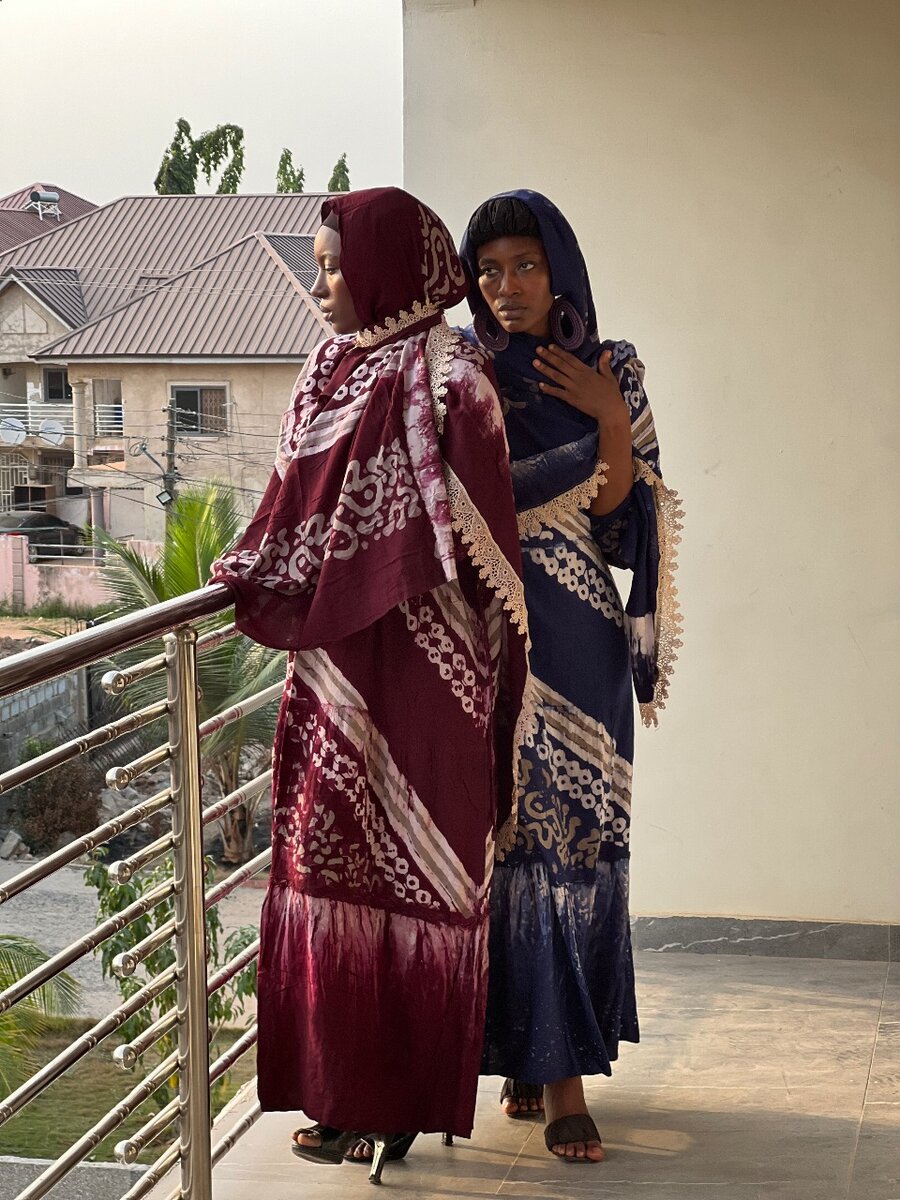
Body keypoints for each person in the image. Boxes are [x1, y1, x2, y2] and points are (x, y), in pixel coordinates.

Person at [211, 187, 532, 1183]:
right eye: (317, 264)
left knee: (428, 873)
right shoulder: (322, 372)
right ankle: (344, 1096)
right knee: (330, 868)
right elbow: (289, 511)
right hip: (338, 672)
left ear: (390, 269)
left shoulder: (455, 380)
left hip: (430, 673)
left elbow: (487, 552)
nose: (320, 285)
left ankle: (406, 1097)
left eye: (335, 266)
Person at [458, 190, 683, 1163]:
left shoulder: (612, 367)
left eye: (527, 266)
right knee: (511, 849)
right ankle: (530, 1055)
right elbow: (457, 505)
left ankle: (562, 1075)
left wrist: (610, 424)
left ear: (561, 270)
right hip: (494, 641)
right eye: (491, 269)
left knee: (574, 844)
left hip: (582, 639)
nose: (508, 288)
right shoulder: (462, 375)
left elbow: (625, 523)